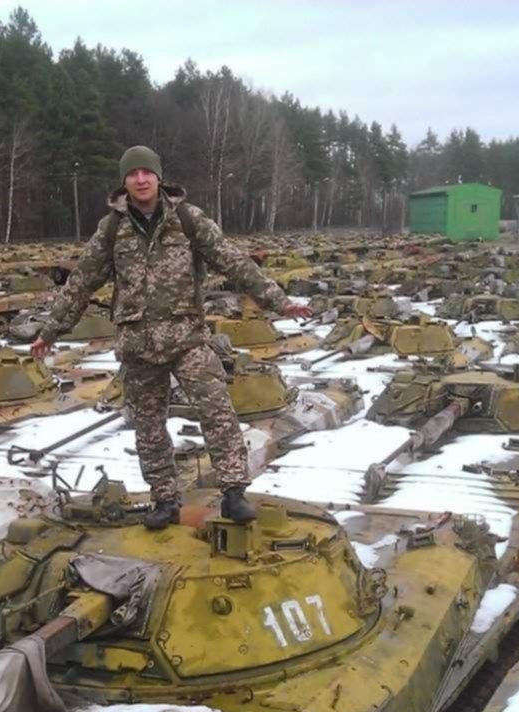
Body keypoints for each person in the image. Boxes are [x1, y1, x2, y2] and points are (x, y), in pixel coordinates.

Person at [31, 145, 312, 529]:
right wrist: (50, 331)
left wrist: (279, 301)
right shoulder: (112, 229)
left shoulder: (187, 219)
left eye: (147, 172)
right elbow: (81, 283)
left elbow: (233, 261)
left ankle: (233, 492)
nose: (141, 179)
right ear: (124, 182)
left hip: (187, 339)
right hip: (137, 344)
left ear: (158, 177)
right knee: (148, 427)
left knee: (217, 410)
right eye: (133, 174)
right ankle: (164, 499)